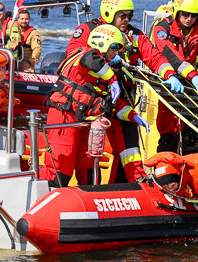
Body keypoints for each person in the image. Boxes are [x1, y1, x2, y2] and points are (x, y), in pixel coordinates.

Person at [67, 0, 178, 182]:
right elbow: (75, 56)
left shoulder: (134, 36)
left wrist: (170, 74)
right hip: (93, 101)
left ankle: (128, 188)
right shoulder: (87, 30)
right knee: (88, 153)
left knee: (130, 149)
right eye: (123, 15)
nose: (127, 20)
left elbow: (154, 57)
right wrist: (105, 63)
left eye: (130, 15)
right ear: (109, 13)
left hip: (121, 102)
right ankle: (90, 192)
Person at [42, 24, 148, 188]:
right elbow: (91, 60)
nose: (116, 52)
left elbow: (116, 103)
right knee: (60, 165)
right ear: (102, 43)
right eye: (114, 47)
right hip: (64, 119)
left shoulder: (104, 70)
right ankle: (46, 200)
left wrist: (133, 116)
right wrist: (113, 79)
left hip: (84, 125)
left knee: (90, 169)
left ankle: (91, 203)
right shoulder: (85, 56)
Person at [149, 0, 198, 153]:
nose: (189, 19)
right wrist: (194, 77)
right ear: (177, 11)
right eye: (185, 14)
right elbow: (172, 57)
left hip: (194, 93)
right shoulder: (162, 29)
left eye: (193, 15)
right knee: (169, 135)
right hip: (171, 86)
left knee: (195, 139)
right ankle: (167, 174)